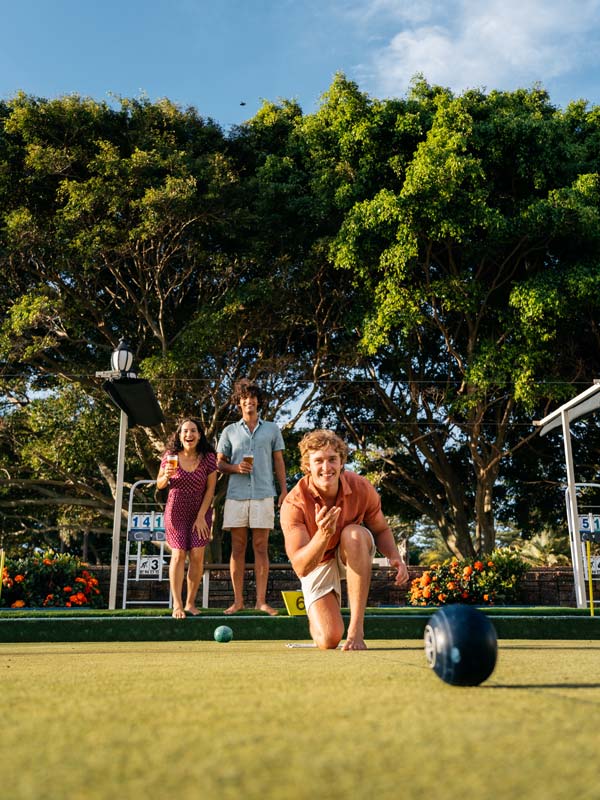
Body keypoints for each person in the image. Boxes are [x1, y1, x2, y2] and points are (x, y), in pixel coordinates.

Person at [280, 429, 409, 650]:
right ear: (307, 465)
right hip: (317, 561)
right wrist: (323, 534)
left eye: (332, 459)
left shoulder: (361, 487)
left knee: (354, 533)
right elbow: (301, 567)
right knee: (329, 639)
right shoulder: (293, 503)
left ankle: (356, 630)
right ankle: (319, 619)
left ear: (341, 462)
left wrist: (394, 556)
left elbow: (380, 529)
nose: (326, 467)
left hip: (350, 551)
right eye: (318, 461)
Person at [217, 381, 287, 616]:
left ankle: (261, 602)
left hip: (264, 494)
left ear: (258, 402)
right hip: (236, 495)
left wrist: (284, 490)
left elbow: (279, 461)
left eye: (253, 397)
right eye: (244, 398)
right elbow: (219, 463)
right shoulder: (229, 431)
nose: (249, 401)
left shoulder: (272, 429)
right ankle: (238, 602)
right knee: (237, 547)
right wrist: (235, 468)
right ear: (239, 403)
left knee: (261, 547)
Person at [156, 417, 217, 619]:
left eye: (193, 431)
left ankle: (190, 603)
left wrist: (201, 516)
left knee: (197, 555)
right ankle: (177, 604)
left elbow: (211, 489)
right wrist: (166, 475)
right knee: (178, 554)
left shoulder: (208, 458)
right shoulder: (170, 456)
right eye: (185, 431)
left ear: (199, 435)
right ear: (179, 435)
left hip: (200, 511)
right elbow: (159, 484)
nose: (189, 434)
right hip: (176, 511)